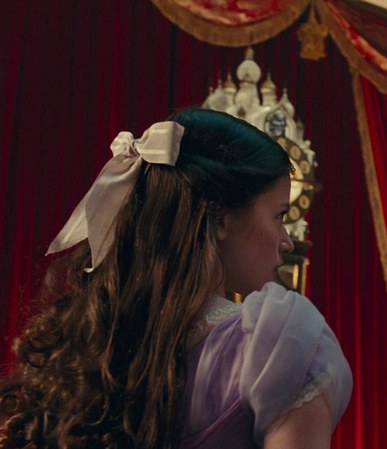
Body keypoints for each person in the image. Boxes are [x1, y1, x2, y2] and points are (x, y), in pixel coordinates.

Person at [0, 109, 352, 449]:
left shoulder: (85, 345)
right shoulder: (281, 344)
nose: (287, 241)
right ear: (221, 217)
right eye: (279, 215)